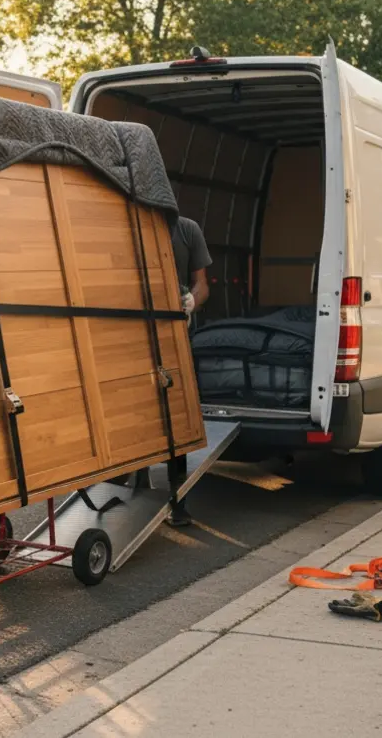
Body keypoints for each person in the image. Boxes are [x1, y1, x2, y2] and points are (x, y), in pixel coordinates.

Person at [167, 214, 212, 527]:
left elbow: (202, 284)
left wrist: (190, 301)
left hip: (177, 335)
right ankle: (136, 484)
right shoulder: (133, 221)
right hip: (137, 334)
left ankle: (177, 500)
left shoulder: (187, 229)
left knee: (178, 415)